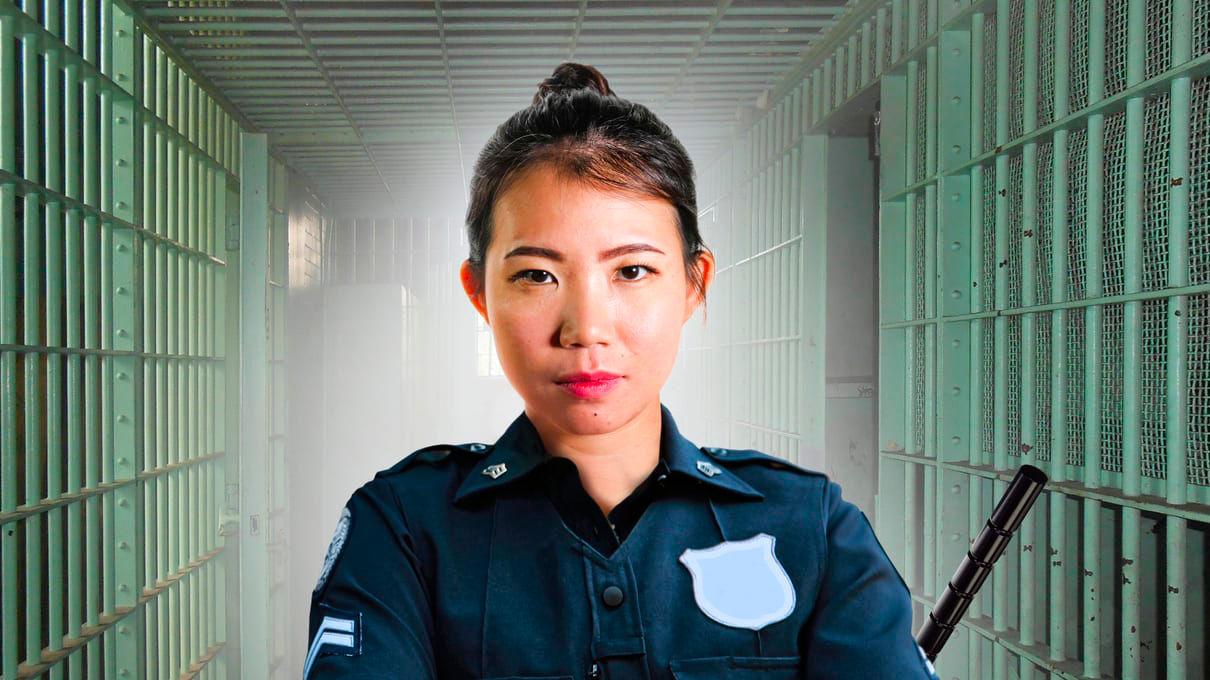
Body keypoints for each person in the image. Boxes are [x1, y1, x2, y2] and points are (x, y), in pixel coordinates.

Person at [305, 62, 939, 680]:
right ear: (480, 294)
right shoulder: (404, 529)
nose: (586, 329)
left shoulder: (811, 529)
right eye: (536, 275)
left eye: (631, 271)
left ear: (695, 284)